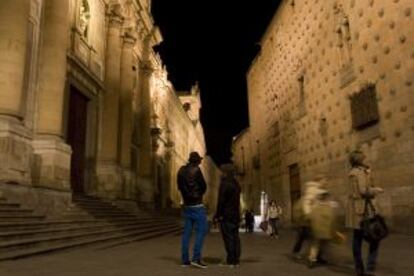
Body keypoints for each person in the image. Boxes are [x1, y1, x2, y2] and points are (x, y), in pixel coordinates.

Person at [346, 150, 384, 276]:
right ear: (359, 160)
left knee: (357, 239)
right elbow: (363, 191)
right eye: (364, 158)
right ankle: (369, 267)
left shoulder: (356, 172)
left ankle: (359, 268)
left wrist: (368, 174)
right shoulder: (359, 173)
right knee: (374, 238)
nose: (366, 159)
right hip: (362, 210)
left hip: (358, 209)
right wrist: (376, 190)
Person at [177, 151, 208, 269]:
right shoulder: (197, 170)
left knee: (187, 233)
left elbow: (179, 186)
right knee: (202, 230)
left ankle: (185, 260)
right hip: (197, 206)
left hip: (187, 206)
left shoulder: (180, 170)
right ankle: (196, 258)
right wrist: (198, 194)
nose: (200, 163)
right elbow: (204, 186)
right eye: (199, 161)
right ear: (197, 161)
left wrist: (186, 197)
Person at [292, 175, 328, 264]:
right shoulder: (312, 189)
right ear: (319, 180)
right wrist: (309, 214)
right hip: (308, 219)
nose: (326, 182)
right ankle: (311, 257)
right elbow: (307, 204)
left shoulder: (319, 190)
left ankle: (316, 257)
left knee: (316, 238)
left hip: (315, 218)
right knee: (308, 238)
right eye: (324, 180)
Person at [215, 164, 241, 268]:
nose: (221, 173)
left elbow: (221, 201)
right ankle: (236, 260)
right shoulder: (236, 184)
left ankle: (230, 260)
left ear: (225, 172)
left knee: (228, 238)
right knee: (235, 238)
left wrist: (218, 215)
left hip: (226, 215)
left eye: (222, 172)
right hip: (235, 214)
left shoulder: (224, 184)